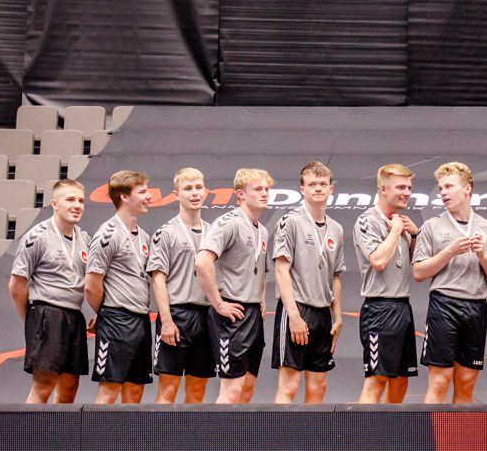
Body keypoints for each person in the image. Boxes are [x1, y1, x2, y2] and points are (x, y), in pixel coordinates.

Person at [413, 161, 487, 403]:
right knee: (440, 380)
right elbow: (419, 272)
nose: (443, 193)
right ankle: (430, 430)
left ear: (467, 189)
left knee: (466, 383)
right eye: (440, 188)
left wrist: (483, 256)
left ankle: (459, 431)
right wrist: (449, 252)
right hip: (444, 305)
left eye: (449, 186)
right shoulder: (431, 226)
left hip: (476, 307)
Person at [8, 179, 90, 404]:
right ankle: (29, 428)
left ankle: (59, 428)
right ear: (54, 204)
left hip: (74, 316)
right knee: (44, 383)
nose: (77, 205)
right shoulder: (38, 236)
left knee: (70, 384)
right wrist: (31, 319)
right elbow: (16, 284)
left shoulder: (85, 238)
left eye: (81, 201)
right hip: (46, 313)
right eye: (70, 199)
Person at [195, 168, 273, 404]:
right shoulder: (228, 222)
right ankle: (219, 432)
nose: (264, 193)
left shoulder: (262, 230)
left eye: (267, 189)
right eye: (257, 189)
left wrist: (261, 300)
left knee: (247, 388)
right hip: (231, 316)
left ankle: (240, 431)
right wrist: (219, 304)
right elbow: (202, 262)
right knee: (232, 389)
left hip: (253, 314)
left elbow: (260, 271)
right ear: (241, 194)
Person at [270, 161, 345, 403]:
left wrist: (337, 316)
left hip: (323, 314)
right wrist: (293, 316)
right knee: (289, 386)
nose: (318, 188)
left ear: (331, 189)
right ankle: (282, 431)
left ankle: (311, 431)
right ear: (302, 189)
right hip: (297, 308)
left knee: (318, 386)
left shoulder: (336, 228)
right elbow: (281, 269)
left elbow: (335, 275)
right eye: (312, 184)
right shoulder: (290, 221)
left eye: (323, 184)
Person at [85, 170, 155, 404]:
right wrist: (105, 313)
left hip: (141, 319)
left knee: (135, 390)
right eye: (143, 192)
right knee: (109, 391)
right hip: (116, 320)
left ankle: (129, 432)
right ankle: (99, 432)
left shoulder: (144, 236)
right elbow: (91, 285)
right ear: (124, 197)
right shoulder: (107, 235)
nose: (149, 196)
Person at [354, 164, 420, 404]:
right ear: (383, 189)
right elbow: (379, 261)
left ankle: (391, 428)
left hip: (403, 307)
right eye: (400, 187)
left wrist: (414, 236)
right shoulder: (367, 220)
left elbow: (416, 266)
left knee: (401, 380)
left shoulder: (402, 222)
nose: (407, 193)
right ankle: (364, 431)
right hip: (379, 309)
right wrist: (395, 232)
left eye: (409, 187)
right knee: (377, 379)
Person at [148, 167, 214, 404]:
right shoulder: (165, 233)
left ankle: (191, 431)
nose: (194, 193)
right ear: (176, 194)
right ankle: (160, 431)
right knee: (169, 388)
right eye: (188, 189)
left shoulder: (214, 232)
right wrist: (166, 321)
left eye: (198, 188)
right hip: (177, 315)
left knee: (198, 388)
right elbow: (158, 280)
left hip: (207, 315)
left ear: (206, 191)